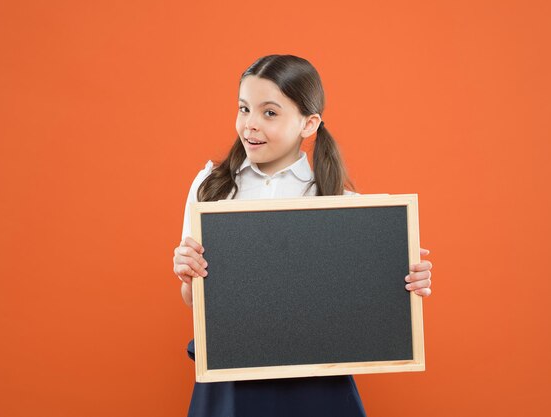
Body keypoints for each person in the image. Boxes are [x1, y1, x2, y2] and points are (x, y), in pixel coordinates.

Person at [172, 54, 434, 417]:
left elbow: (366, 307)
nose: (250, 125)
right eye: (244, 109)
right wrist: (188, 276)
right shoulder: (211, 188)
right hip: (231, 382)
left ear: (309, 124)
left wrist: (404, 280)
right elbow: (197, 302)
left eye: (270, 113)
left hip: (316, 387)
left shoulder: (338, 203)